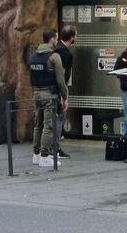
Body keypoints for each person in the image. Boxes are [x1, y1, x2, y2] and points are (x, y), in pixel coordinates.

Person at [30, 28, 69, 168]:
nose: (57, 41)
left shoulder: (33, 56)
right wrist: (65, 97)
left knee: (38, 125)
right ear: (52, 39)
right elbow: (60, 80)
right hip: (49, 94)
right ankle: (45, 156)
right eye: (56, 38)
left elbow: (31, 77)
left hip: (36, 94)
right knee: (49, 126)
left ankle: (36, 155)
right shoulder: (54, 56)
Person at [52, 25, 76, 159]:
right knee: (60, 117)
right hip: (58, 90)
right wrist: (63, 96)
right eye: (75, 35)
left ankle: (44, 149)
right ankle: (55, 148)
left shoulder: (54, 49)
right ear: (72, 37)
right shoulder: (66, 54)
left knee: (48, 120)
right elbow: (63, 76)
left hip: (48, 88)